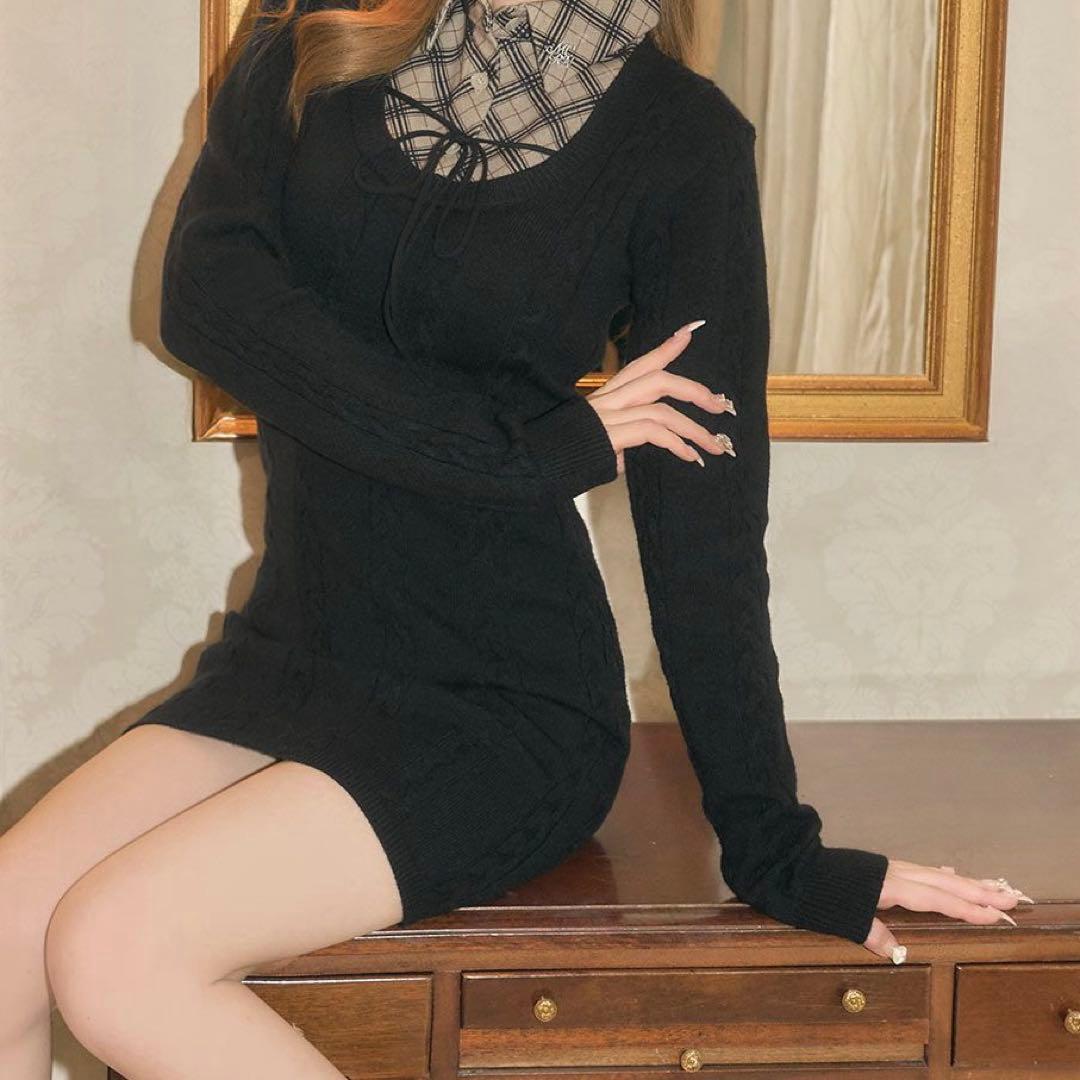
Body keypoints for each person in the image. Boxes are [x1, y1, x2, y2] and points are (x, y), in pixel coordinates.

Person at [1, 0, 1029, 1076]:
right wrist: (524, 450)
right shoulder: (316, 30)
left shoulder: (681, 141)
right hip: (296, 653)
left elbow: (708, 539)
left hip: (501, 706)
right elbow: (207, 304)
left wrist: (779, 848)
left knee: (116, 955)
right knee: (8, 932)